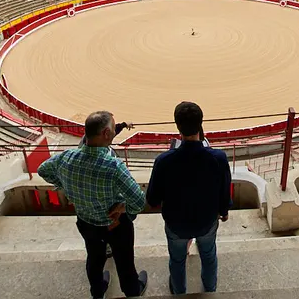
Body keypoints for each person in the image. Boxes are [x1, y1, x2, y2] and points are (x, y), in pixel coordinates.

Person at [38, 111, 148, 299]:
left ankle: (97, 291)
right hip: (116, 225)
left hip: (86, 222)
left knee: (94, 258)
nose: (114, 132)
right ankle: (132, 291)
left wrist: (66, 185)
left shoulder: (66, 158)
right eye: (113, 129)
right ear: (106, 133)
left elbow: (43, 170)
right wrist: (122, 207)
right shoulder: (113, 166)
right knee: (124, 262)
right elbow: (138, 202)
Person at [146, 101, 232, 295]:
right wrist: (224, 211)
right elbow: (224, 190)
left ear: (178, 127)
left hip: (176, 224)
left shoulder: (164, 161)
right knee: (209, 256)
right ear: (201, 124)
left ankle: (179, 293)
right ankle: (210, 291)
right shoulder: (218, 158)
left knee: (177, 261)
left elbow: (152, 200)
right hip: (206, 221)